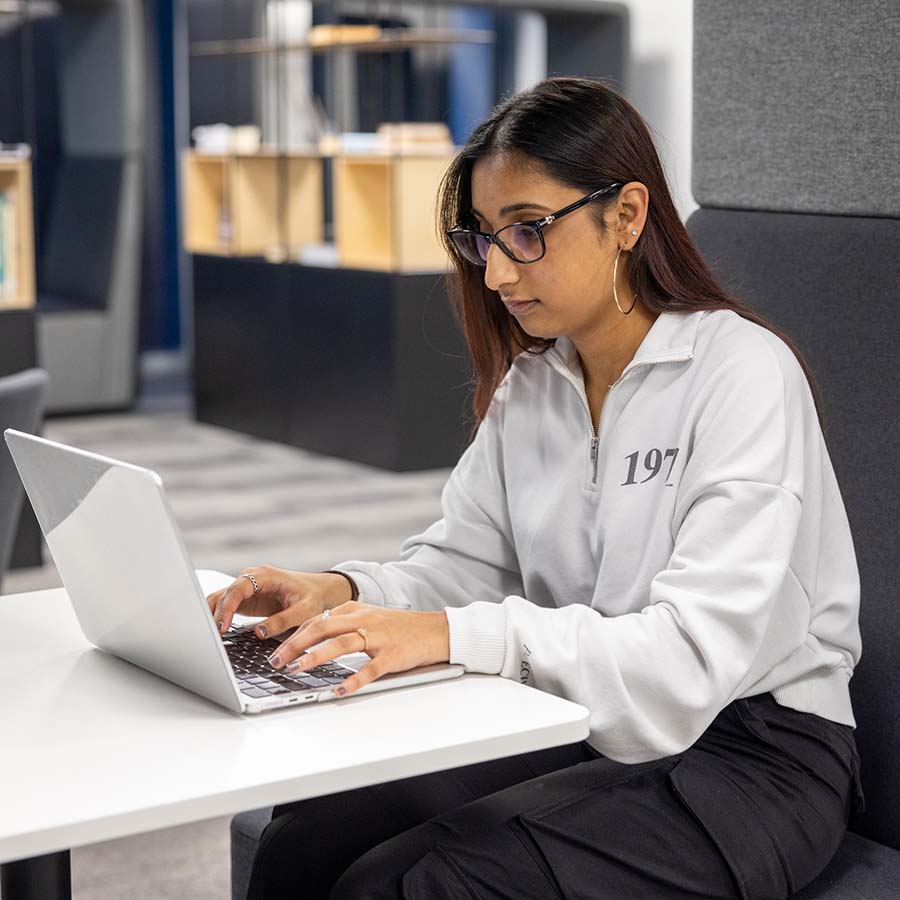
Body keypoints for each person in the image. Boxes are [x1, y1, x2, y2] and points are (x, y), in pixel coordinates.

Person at [206, 76, 864, 900]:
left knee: (423, 888)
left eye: (527, 231)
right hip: (587, 714)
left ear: (626, 215)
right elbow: (460, 566)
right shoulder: (537, 384)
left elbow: (691, 661)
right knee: (307, 842)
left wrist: (459, 635)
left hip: (756, 753)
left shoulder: (739, 373)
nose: (495, 275)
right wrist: (341, 590)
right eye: (485, 238)